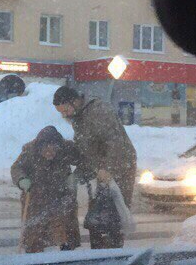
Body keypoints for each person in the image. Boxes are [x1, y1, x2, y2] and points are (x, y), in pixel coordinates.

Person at [53, 85, 137, 249]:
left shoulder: (99, 110)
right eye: (61, 112)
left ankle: (112, 258)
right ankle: (98, 253)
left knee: (112, 216)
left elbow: (114, 142)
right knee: (97, 217)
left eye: (65, 110)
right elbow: (87, 148)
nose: (64, 115)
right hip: (98, 170)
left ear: (75, 101)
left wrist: (107, 168)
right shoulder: (78, 116)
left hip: (118, 167)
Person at [11, 126, 81, 254]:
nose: (50, 153)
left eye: (53, 150)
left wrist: (76, 175)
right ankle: (34, 261)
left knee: (65, 233)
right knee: (35, 236)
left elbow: (85, 161)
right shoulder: (30, 151)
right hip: (36, 198)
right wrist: (22, 179)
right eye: (46, 150)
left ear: (58, 147)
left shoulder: (66, 149)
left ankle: (67, 260)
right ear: (40, 148)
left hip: (62, 197)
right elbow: (16, 168)